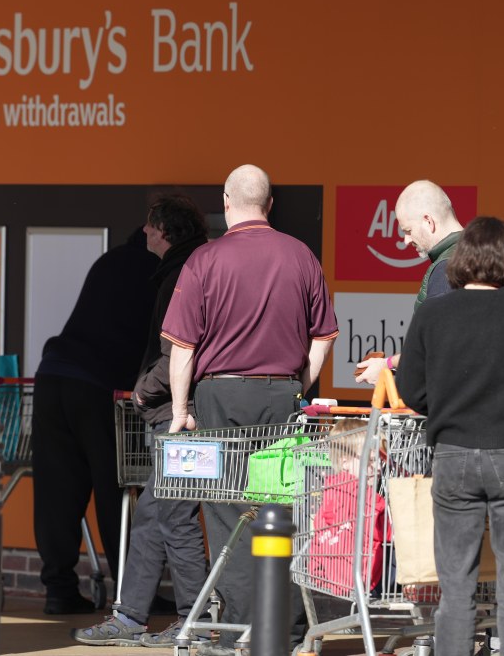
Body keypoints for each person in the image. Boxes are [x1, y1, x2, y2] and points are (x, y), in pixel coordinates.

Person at [161, 163, 339, 656]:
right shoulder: (300, 255)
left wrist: (180, 408)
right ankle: (288, 626)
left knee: (229, 511)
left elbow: (183, 347)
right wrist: (298, 386)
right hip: (282, 398)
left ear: (225, 201)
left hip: (221, 400)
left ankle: (241, 629)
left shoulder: (204, 260)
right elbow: (323, 334)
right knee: (285, 507)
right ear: (270, 203)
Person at [395, 216, 504, 656]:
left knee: (456, 591)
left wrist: (449, 398)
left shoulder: (433, 314)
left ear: (463, 259)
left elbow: (412, 392)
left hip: (452, 457)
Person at [73, 195, 211, 647]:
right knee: (153, 515)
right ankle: (131, 614)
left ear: (163, 231)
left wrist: (143, 390)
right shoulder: (185, 268)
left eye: (150, 228)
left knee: (173, 515)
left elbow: (178, 349)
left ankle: (194, 618)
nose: (145, 234)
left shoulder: (179, 275)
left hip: (176, 417)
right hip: (177, 413)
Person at [31, 227, 158, 614]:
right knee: (114, 488)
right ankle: (130, 592)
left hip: (53, 375)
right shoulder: (160, 272)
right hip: (99, 386)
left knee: (56, 491)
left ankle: (59, 589)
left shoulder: (108, 261)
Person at [355, 179, 463, 384]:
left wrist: (387, 367)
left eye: (407, 231)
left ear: (428, 221)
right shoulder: (480, 258)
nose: (405, 241)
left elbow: (437, 349)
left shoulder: (447, 269)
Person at [308, 418, 391, 597]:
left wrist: (320, 578)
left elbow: (317, 546)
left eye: (380, 461)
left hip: (334, 585)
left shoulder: (329, 495)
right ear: (344, 462)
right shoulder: (368, 499)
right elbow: (391, 532)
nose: (377, 468)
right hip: (365, 584)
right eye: (370, 461)